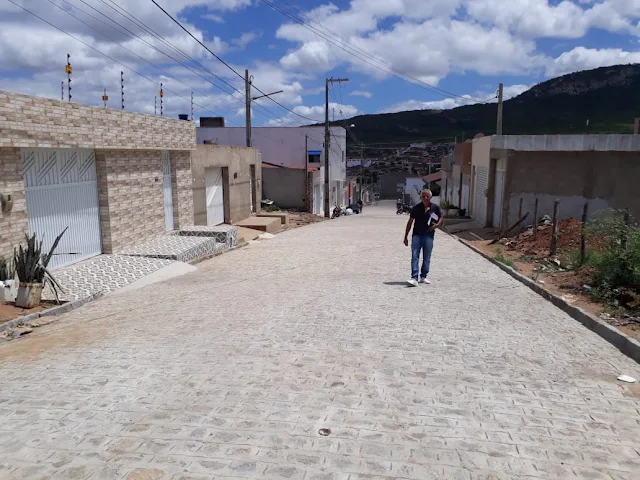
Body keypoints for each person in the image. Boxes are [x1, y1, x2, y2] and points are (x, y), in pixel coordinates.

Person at [403, 189, 443, 286]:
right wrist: (406, 236)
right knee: (414, 256)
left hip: (429, 236)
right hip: (416, 235)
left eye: (427, 196)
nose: (425, 198)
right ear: (420, 197)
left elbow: (441, 217)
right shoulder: (416, 208)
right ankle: (414, 278)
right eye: (423, 196)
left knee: (427, 257)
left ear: (430, 197)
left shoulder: (435, 208)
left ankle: (423, 276)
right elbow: (410, 222)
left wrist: (437, 225)